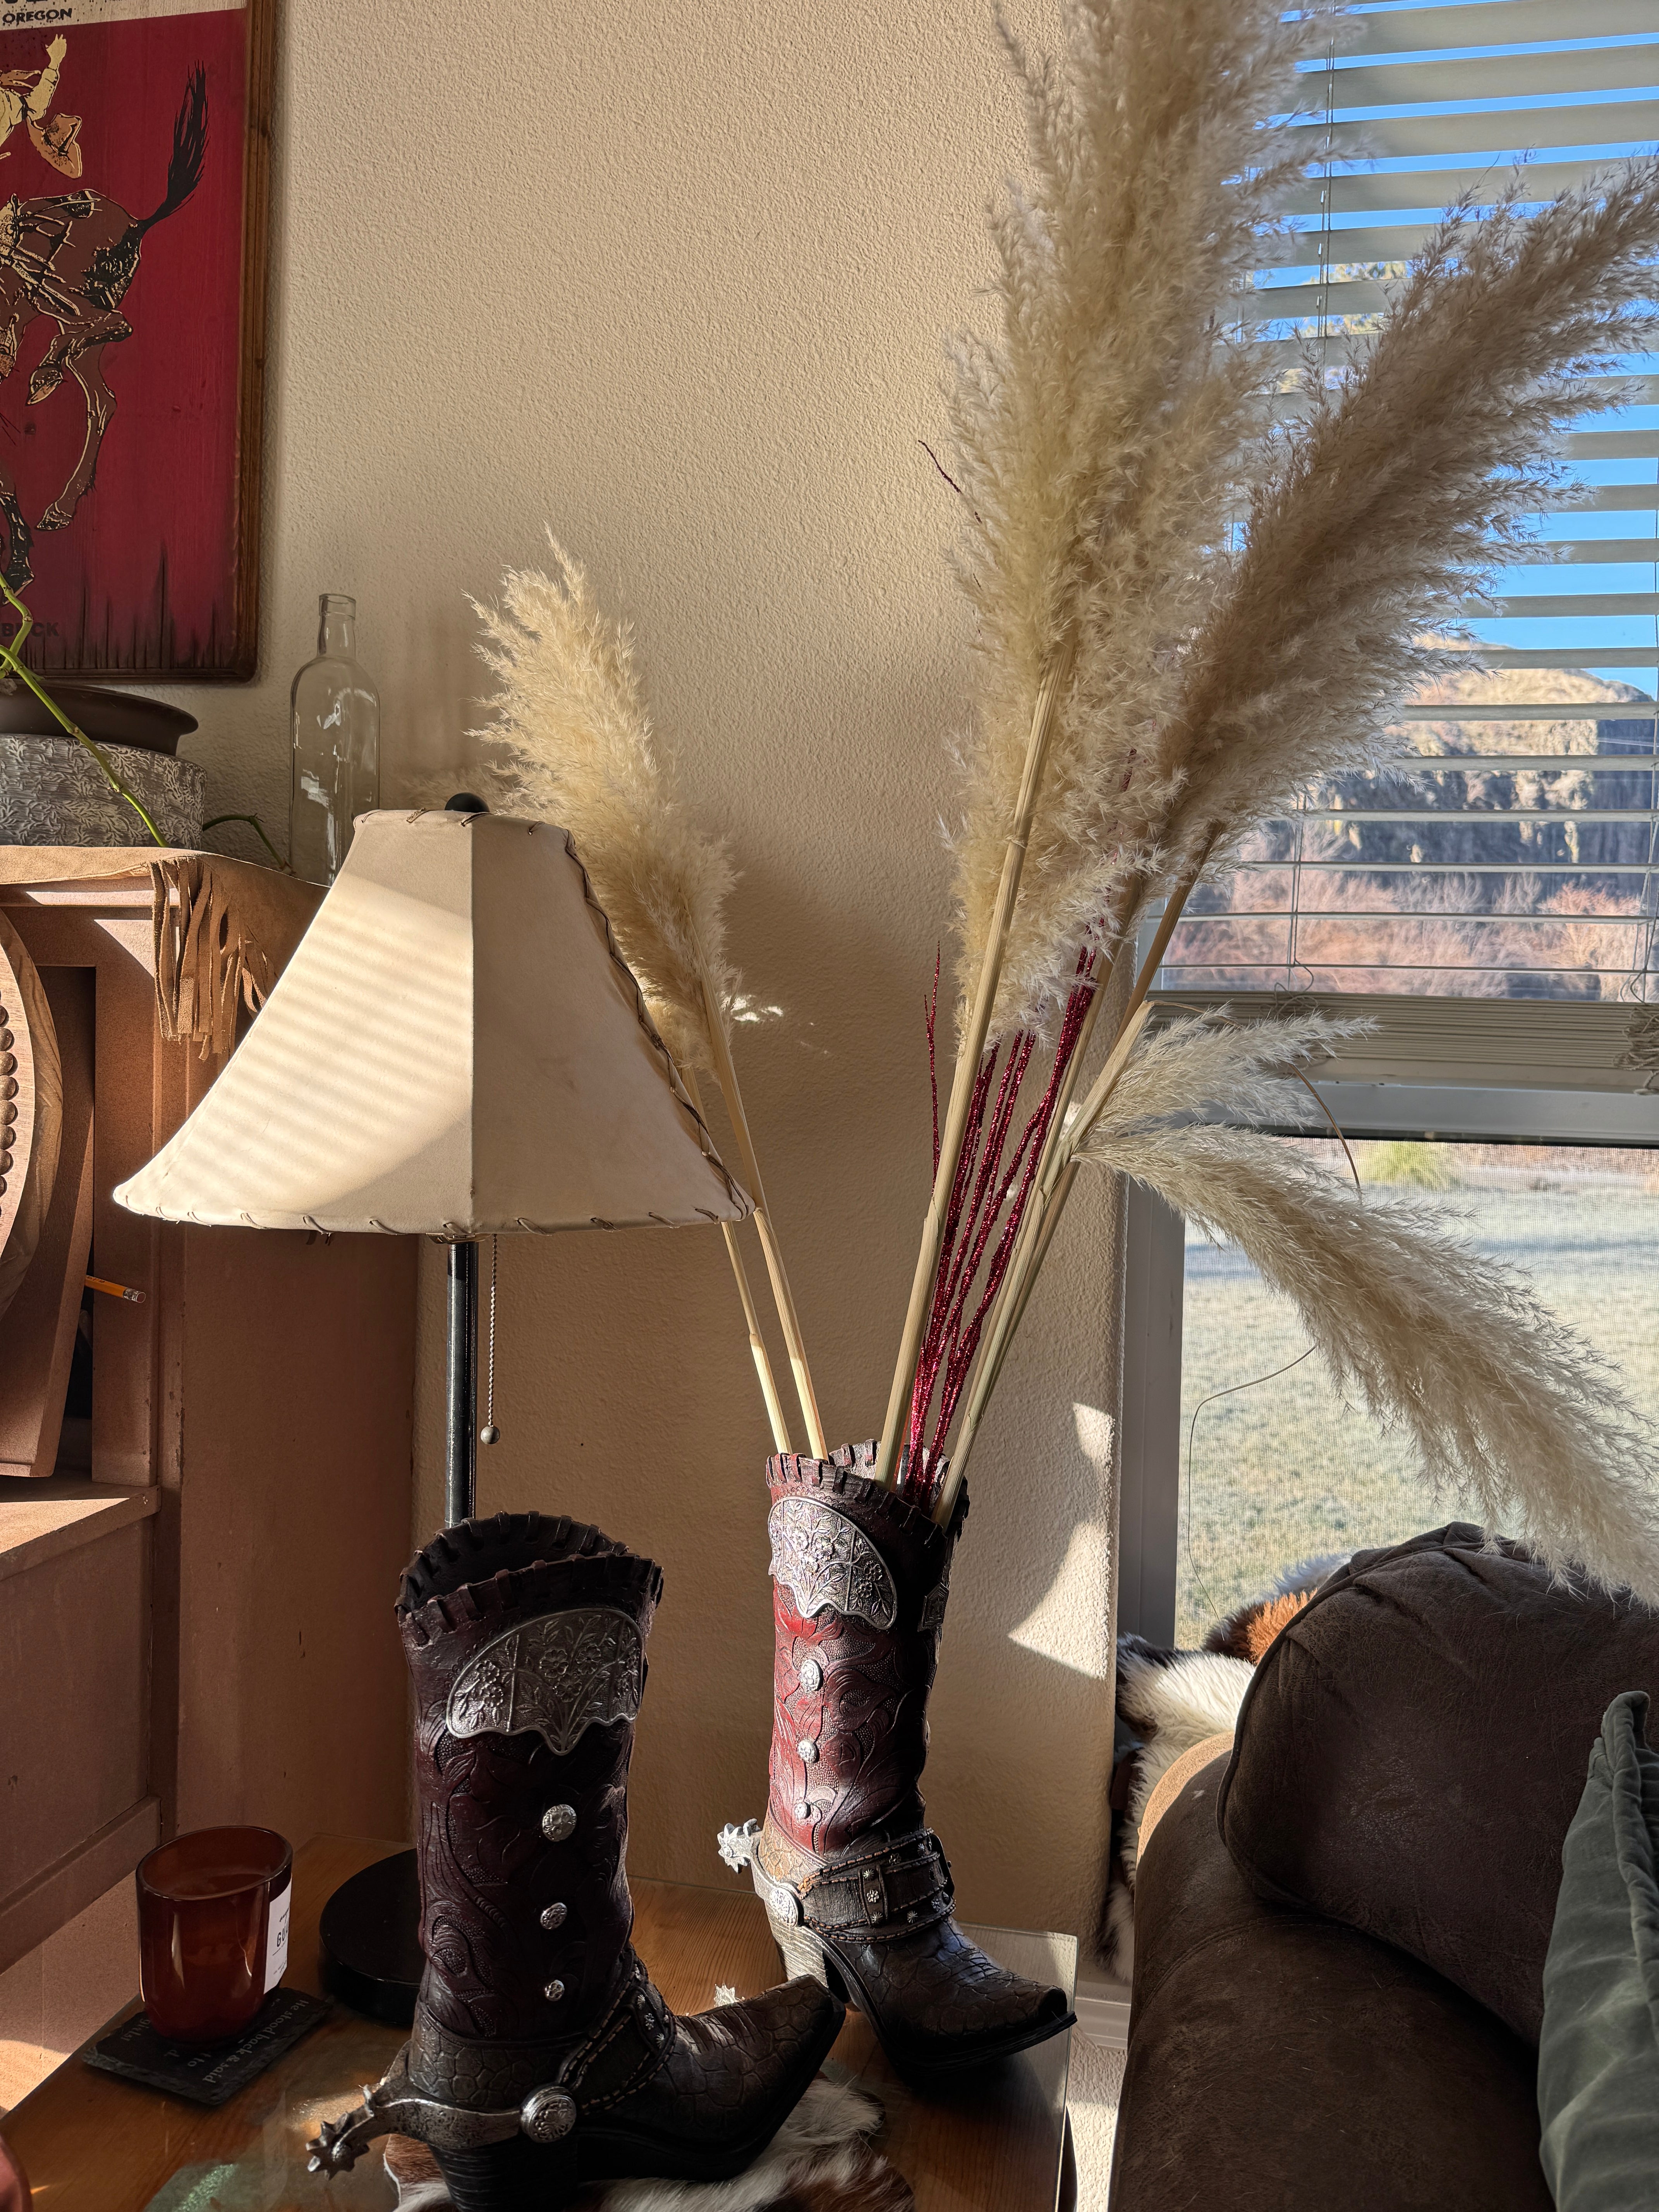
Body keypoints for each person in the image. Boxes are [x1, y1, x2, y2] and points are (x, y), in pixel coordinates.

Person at [0, 37, 81, 179]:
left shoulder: (14, 109)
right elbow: (36, 104)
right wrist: (54, 64)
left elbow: (36, 105)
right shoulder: (14, 110)